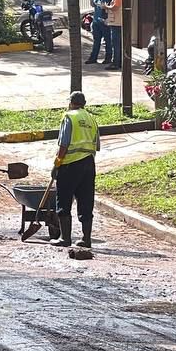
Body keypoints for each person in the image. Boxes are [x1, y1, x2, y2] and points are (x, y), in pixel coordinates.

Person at [54, 91, 101, 251]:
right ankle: (86, 239)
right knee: (86, 200)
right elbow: (97, 145)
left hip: (70, 164)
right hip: (89, 164)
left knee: (64, 199)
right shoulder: (91, 119)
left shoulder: (69, 117)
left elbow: (64, 144)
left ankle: (64, 238)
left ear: (71, 103)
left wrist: (57, 163)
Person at [86, 0, 110, 64]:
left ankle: (108, 58)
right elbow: (94, 5)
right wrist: (91, 1)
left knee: (108, 41)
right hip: (96, 21)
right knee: (96, 41)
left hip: (105, 21)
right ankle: (93, 58)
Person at [105, 0, 123, 70]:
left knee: (116, 44)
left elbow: (116, 7)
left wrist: (106, 7)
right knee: (118, 44)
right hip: (117, 22)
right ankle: (118, 62)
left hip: (117, 23)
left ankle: (116, 63)